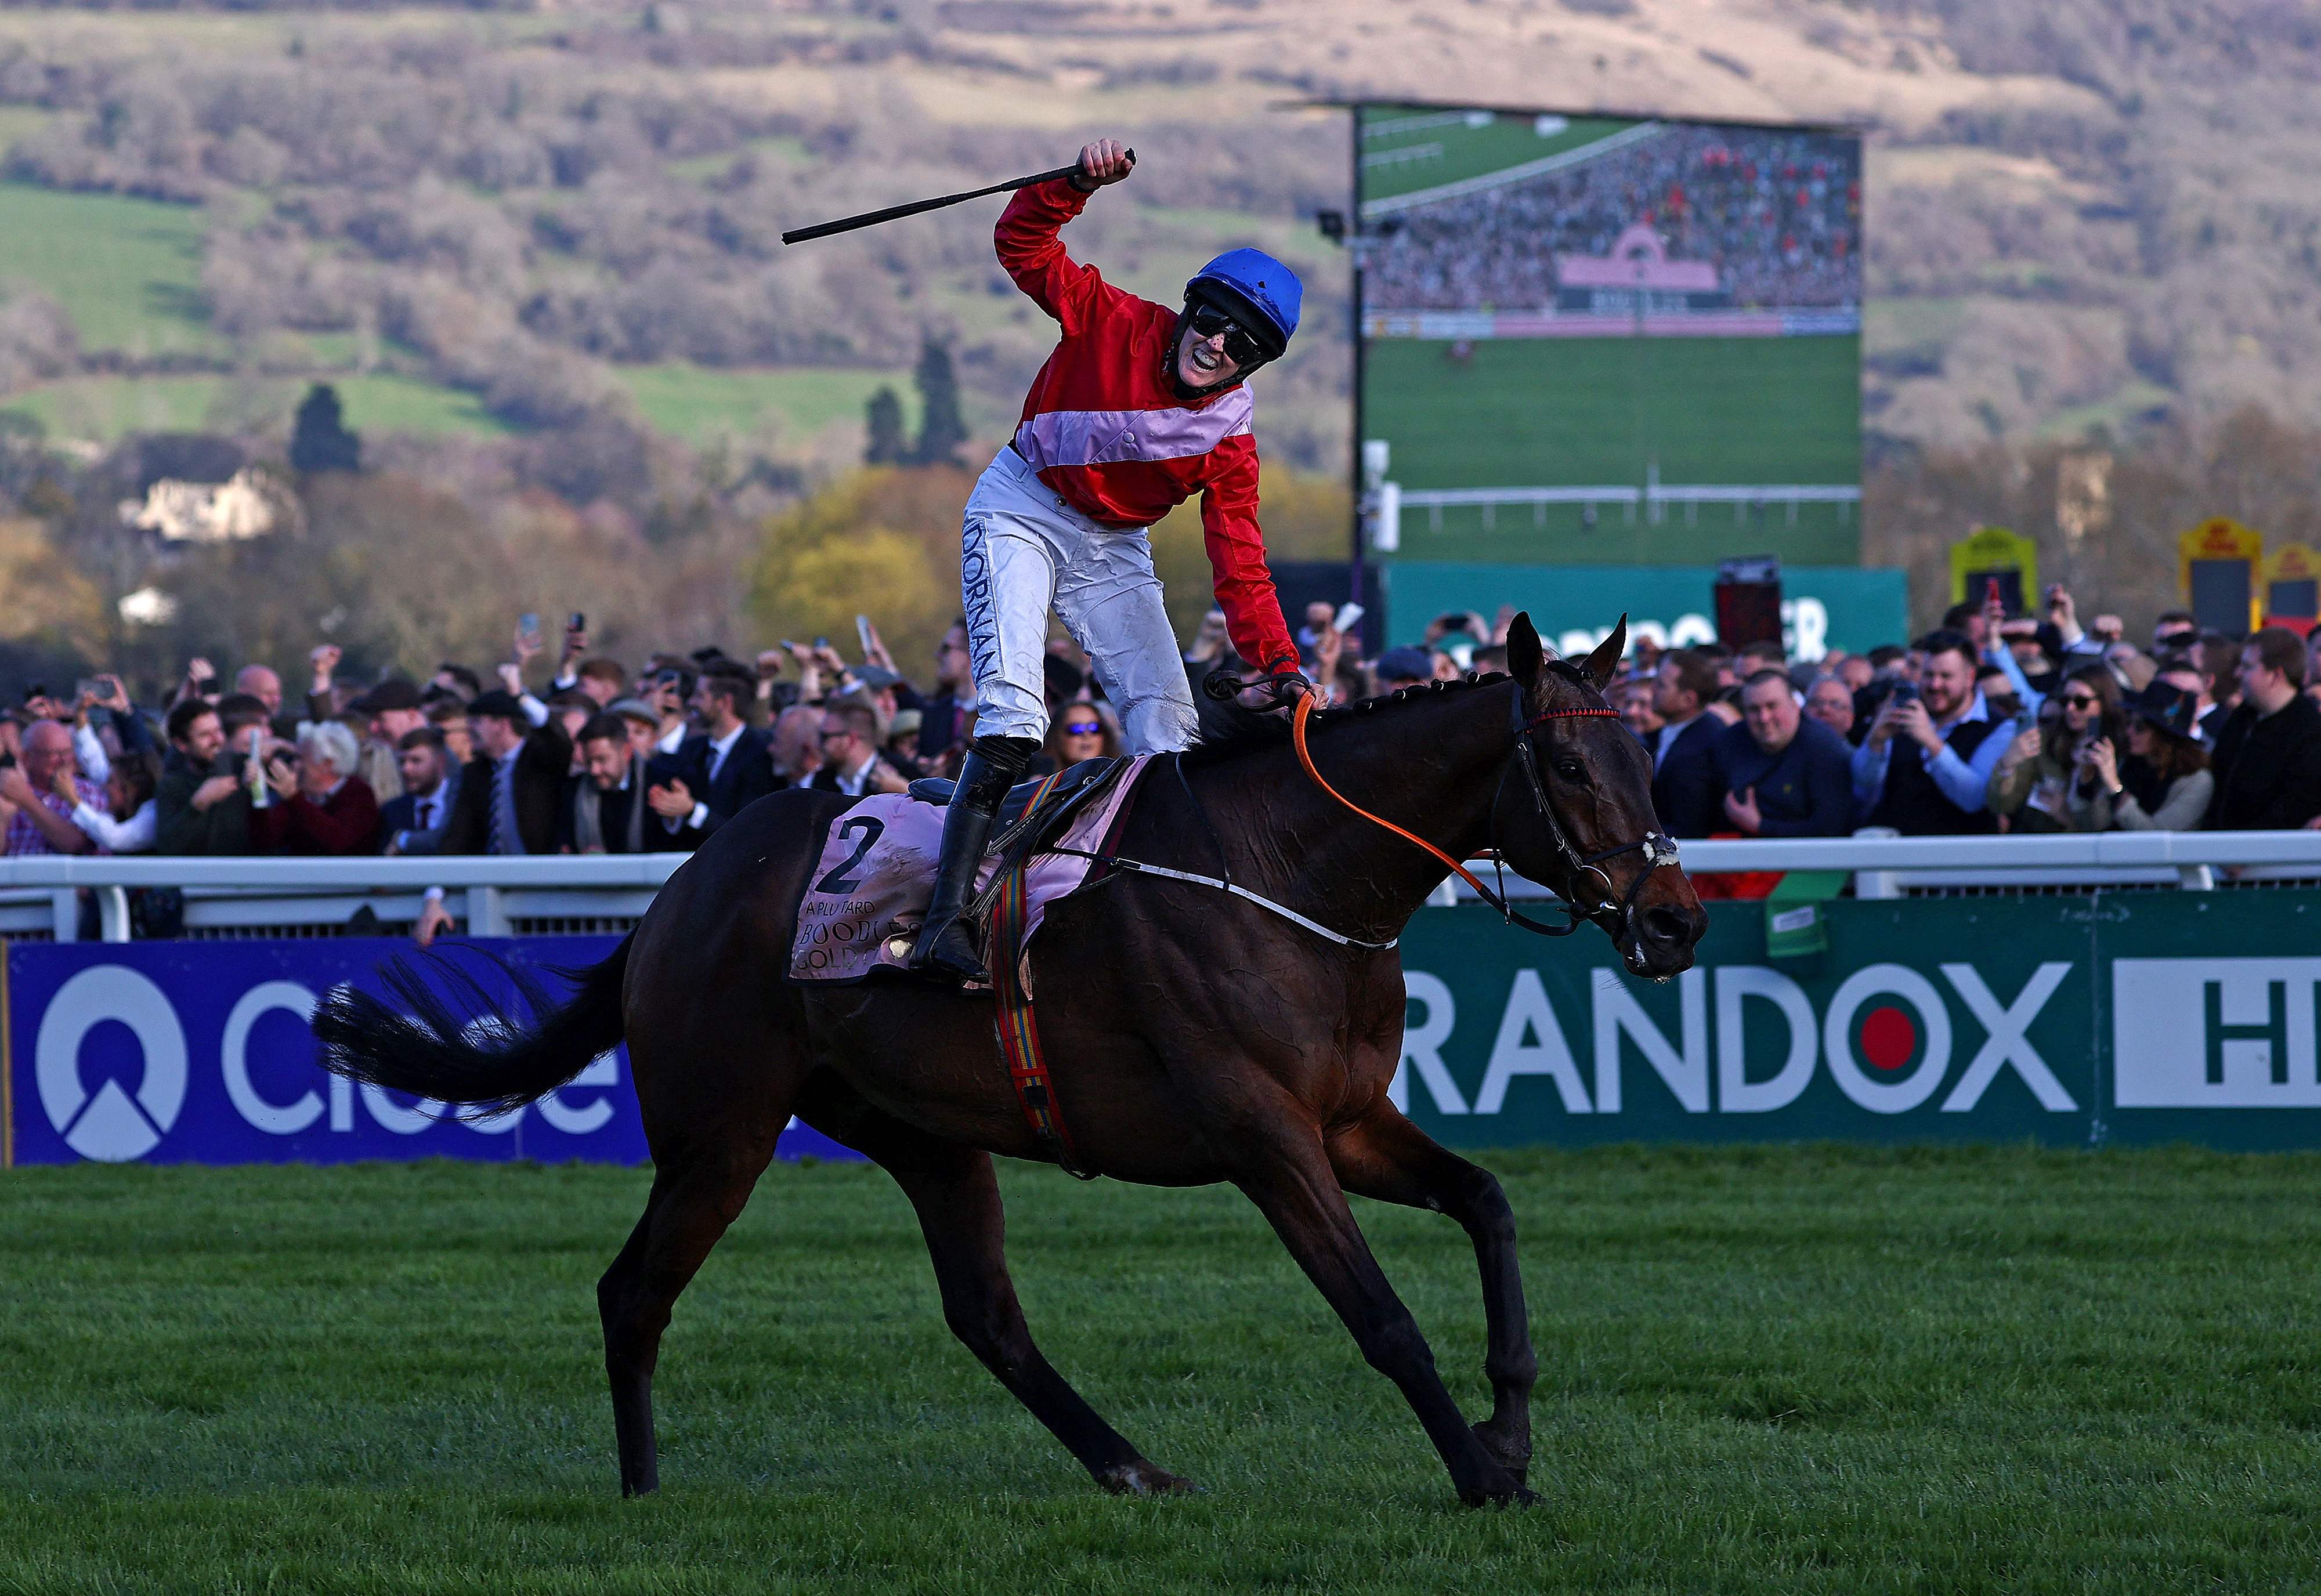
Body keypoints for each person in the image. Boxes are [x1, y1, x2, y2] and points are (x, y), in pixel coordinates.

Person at [914, 135, 1308, 982]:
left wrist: (1280, 663)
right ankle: (943, 920)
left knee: (1171, 734)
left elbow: (1242, 562)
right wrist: (1070, 185)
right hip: (1020, 505)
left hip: (1110, 548)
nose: (1216, 347)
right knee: (1018, 715)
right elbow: (1022, 245)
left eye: (1242, 345)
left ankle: (1153, 922)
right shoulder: (1111, 315)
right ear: (1190, 308)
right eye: (1212, 322)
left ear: (1256, 363)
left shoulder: (1230, 442)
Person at [1852, 628, 2007, 835]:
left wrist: (1931, 743)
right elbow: (1863, 791)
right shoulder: (1903, 714)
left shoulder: (1999, 728)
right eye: (1928, 675)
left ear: (1970, 677)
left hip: (1964, 858)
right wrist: (1876, 742)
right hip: (1899, 857)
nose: (1935, 685)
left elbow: (1974, 799)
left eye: (1946, 676)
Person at [1712, 669, 1855, 836]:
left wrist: (1759, 826)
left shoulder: (1825, 749)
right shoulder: (1731, 741)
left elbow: (1831, 829)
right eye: (1753, 709)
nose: (1764, 718)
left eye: (1772, 706)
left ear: (1795, 706)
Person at [2204, 627, 2321, 830]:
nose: (2238, 673)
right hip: (2218, 849)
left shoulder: (2309, 734)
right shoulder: (2242, 718)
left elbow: (2292, 809)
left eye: (2248, 667)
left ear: (2276, 675)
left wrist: (2242, 853)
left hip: (2265, 857)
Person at [648, 664, 778, 845]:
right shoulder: (691, 750)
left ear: (725, 702)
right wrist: (671, 808)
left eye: (700, 696)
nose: (692, 702)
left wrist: (692, 811)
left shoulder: (760, 753)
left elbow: (748, 829)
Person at [2072, 682, 2213, 831]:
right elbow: (2092, 826)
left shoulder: (2198, 781)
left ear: (2163, 735)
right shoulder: (2130, 765)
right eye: (2129, 723)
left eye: (2140, 727)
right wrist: (2086, 780)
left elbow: (2155, 838)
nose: (2130, 731)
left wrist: (2116, 788)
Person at [251, 721, 381, 855]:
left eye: (302, 759)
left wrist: (294, 799)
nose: (295, 765)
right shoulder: (300, 796)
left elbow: (340, 843)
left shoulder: (358, 794)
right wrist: (257, 791)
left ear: (327, 764)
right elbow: (265, 839)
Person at [155, 700, 254, 855]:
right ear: (181, 744)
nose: (217, 740)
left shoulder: (243, 767)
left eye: (218, 731)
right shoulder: (172, 786)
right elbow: (168, 846)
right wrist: (199, 805)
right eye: (205, 735)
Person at [1649, 648, 1725, 838]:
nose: (1653, 690)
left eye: (1662, 685)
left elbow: (1690, 826)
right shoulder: (1666, 732)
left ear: (1688, 700)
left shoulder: (1702, 747)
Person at [0, 719, 102, 855]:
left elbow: (78, 848)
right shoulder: (9, 790)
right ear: (27, 758)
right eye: (55, 754)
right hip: (14, 874)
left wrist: (26, 799)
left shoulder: (88, 792)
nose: (64, 760)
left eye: (67, 752)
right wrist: (3, 819)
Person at [561, 713, 653, 855]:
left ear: (626, 752)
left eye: (602, 760)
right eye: (589, 762)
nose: (594, 770)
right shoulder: (574, 791)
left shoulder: (656, 783)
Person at [379, 726, 460, 854]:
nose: (406, 769)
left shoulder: (460, 805)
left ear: (440, 762)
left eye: (416, 761)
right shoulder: (392, 812)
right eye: (402, 761)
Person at [809, 697, 909, 797]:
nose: (819, 744)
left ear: (851, 740)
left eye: (825, 737)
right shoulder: (821, 780)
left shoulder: (903, 773)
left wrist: (904, 793)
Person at [67, 754, 158, 853]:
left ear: (131, 789)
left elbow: (113, 838)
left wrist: (74, 800)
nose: (105, 787)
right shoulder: (122, 813)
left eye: (111, 782)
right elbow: (93, 757)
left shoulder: (152, 814)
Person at [1803, 675, 1856, 743]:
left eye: (1836, 705)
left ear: (1850, 719)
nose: (1825, 709)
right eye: (1816, 703)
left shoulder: (1857, 754)